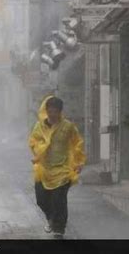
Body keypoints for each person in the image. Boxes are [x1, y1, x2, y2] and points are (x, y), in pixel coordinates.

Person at [28, 95, 86, 239]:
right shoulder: (39, 126)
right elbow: (33, 141)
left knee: (59, 200)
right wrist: (40, 148)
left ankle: (59, 229)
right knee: (41, 199)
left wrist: (78, 163)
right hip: (43, 170)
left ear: (60, 111)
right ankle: (51, 219)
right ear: (46, 110)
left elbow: (76, 144)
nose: (52, 114)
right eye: (50, 111)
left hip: (62, 170)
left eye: (55, 111)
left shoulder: (68, 127)